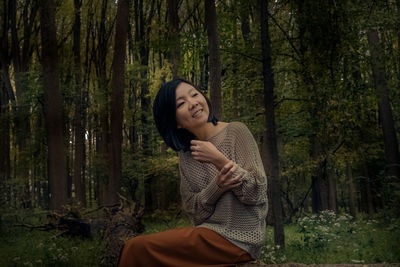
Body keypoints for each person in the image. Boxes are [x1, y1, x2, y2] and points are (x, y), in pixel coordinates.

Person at [118, 78, 268, 267]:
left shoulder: (236, 132)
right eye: (181, 103)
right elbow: (194, 212)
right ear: (176, 122)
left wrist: (218, 159)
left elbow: (257, 193)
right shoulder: (186, 155)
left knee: (136, 249)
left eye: (195, 94)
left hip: (240, 239)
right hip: (207, 234)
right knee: (135, 249)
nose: (193, 103)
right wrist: (218, 186)